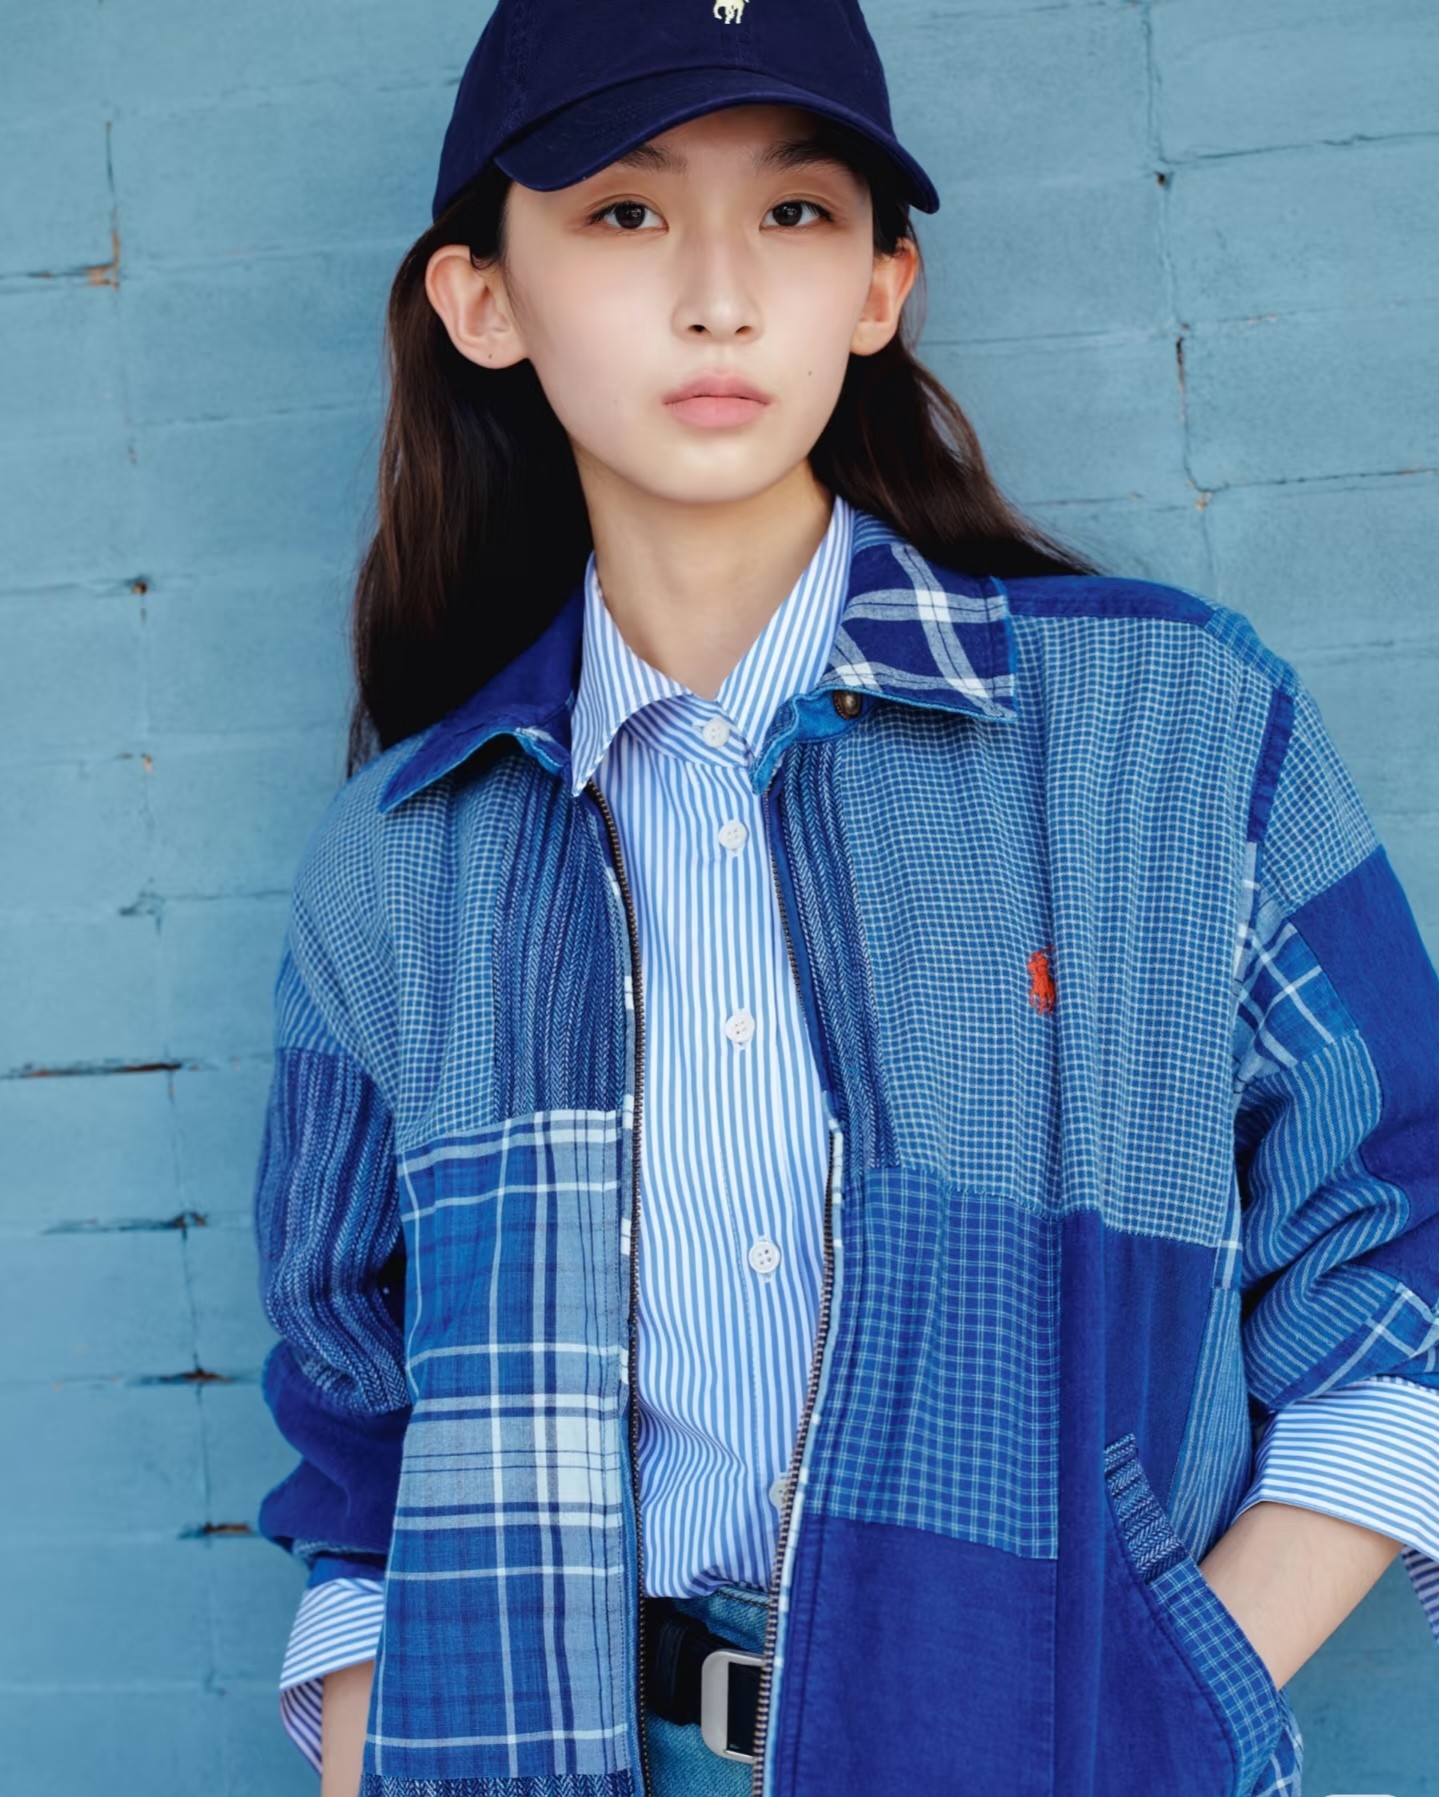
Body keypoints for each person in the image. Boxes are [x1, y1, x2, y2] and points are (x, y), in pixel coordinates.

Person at [250, 0, 1439, 1791]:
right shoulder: (403, 853)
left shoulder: (1170, 727)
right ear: (483, 301)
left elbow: (1408, 1216)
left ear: (880, 289)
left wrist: (1166, 1698)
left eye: (795, 213)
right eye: (627, 212)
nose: (721, 296)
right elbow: (357, 1415)